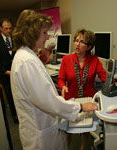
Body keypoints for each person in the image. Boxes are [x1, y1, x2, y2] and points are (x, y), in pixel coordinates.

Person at [11, 12, 97, 150]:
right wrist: (80, 107)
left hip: (41, 127)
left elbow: (38, 89)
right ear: (32, 33)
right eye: (45, 32)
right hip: (41, 134)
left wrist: (42, 64)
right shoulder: (27, 61)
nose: (48, 36)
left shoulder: (26, 57)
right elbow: (48, 101)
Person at [57, 28, 107, 150]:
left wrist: (113, 83)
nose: (77, 44)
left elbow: (104, 76)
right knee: (68, 129)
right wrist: (63, 86)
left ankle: (83, 147)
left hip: (88, 100)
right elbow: (61, 78)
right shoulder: (66, 60)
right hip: (71, 99)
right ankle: (67, 146)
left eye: (81, 42)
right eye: (76, 40)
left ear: (89, 47)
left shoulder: (95, 60)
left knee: (86, 128)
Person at [0, 18, 18, 123]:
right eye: (6, 28)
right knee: (10, 96)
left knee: (19, 95)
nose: (9, 31)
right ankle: (15, 116)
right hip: (5, 74)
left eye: (10, 28)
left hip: (17, 73)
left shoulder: (15, 39)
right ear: (0, 28)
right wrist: (5, 71)